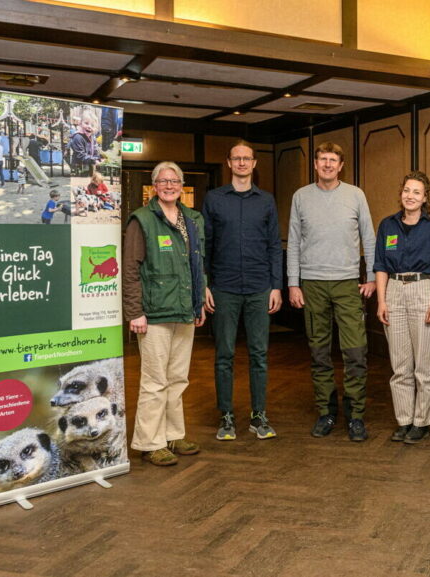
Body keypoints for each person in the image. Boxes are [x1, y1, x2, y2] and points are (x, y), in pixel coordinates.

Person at [288, 142, 376, 442]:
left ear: (341, 166)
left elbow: (369, 236)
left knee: (356, 352)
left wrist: (374, 277)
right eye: (322, 159)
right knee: (319, 353)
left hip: (348, 283)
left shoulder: (356, 195)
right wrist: (293, 282)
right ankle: (326, 412)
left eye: (333, 160)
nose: (327, 164)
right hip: (312, 284)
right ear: (315, 164)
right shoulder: (301, 197)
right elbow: (293, 241)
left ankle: (355, 416)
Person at [123, 161, 206, 466]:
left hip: (185, 309)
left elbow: (198, 264)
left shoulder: (193, 218)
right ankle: (149, 442)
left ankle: (173, 434)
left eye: (175, 181)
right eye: (163, 181)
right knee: (154, 380)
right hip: (154, 313)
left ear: (181, 186)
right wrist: (135, 312)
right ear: (154, 186)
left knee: (177, 379)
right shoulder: (141, 220)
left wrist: (198, 303)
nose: (170, 185)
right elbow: (130, 269)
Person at [203, 141, 283, 441]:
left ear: (254, 163)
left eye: (246, 158)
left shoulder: (266, 201)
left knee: (259, 355)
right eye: (236, 158)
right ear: (228, 162)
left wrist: (276, 286)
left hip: (260, 287)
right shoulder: (214, 199)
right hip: (223, 288)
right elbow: (205, 245)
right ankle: (226, 415)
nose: (241, 163)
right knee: (224, 355)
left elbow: (275, 245)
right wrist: (206, 284)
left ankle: (258, 415)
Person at [373, 171, 430, 444]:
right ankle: (404, 420)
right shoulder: (387, 225)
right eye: (407, 190)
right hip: (393, 291)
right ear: (401, 193)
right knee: (400, 366)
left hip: (423, 290)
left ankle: (422, 422)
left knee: (424, 365)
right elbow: (380, 265)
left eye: (417, 192)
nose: (410, 196)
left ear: (425, 197)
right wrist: (381, 300)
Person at [69, 107, 102, 176]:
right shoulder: (78, 137)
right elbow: (80, 155)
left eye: (92, 125)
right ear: (80, 123)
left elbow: (95, 151)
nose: (89, 126)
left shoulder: (92, 137)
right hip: (79, 167)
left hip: (89, 166)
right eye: (86, 123)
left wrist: (99, 158)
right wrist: (94, 160)